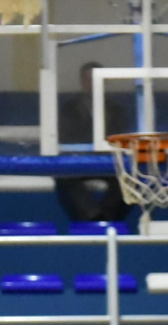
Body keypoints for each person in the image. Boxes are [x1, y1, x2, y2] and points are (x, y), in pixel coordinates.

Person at [55, 62, 131, 223]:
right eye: (87, 79)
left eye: (95, 79)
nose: (91, 84)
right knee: (64, 177)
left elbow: (122, 137)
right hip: (81, 162)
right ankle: (94, 216)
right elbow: (65, 137)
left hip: (109, 162)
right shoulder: (69, 109)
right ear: (82, 82)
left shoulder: (117, 109)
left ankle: (102, 217)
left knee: (130, 178)